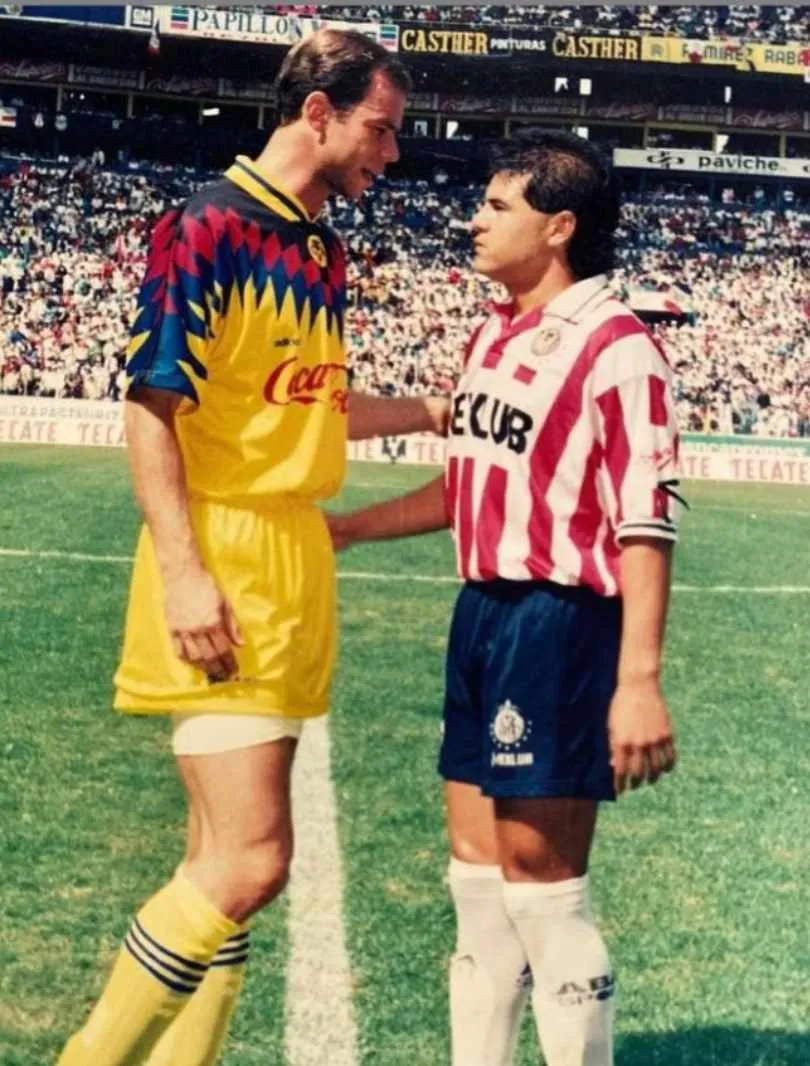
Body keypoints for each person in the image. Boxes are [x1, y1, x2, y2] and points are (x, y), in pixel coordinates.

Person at [56, 29, 449, 1066]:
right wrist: (186, 571)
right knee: (252, 860)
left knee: (220, 865)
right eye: (381, 129)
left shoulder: (320, 244)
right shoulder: (209, 227)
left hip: (294, 555)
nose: (391, 153)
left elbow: (312, 408)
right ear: (317, 113)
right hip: (227, 553)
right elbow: (152, 410)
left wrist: (433, 406)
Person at [328, 129, 681, 1066]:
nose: (472, 220)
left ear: (558, 226)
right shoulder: (494, 329)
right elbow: (465, 485)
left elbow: (645, 521)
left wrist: (637, 679)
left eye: (495, 206)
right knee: (477, 887)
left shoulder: (617, 345)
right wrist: (350, 528)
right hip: (480, 617)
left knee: (542, 886)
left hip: (558, 623)